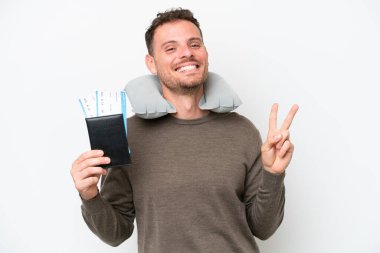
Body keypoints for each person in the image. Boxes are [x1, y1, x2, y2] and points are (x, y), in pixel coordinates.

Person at [70, 8, 298, 253]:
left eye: (194, 44)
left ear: (205, 53)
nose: (186, 53)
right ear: (152, 63)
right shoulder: (128, 135)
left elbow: (263, 228)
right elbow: (116, 233)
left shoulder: (242, 131)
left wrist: (273, 174)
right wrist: (90, 195)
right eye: (170, 48)